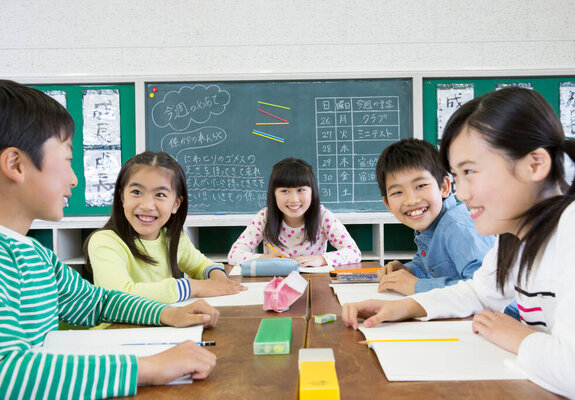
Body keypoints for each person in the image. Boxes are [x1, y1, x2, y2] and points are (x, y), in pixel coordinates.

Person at [342, 87, 575, 399]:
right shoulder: (515, 233)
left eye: (470, 172)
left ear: (534, 165)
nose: (461, 193)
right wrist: (404, 307)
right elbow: (479, 291)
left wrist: (518, 336)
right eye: (457, 175)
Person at [0, 79, 221, 398]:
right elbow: (7, 371)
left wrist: (165, 313)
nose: (75, 178)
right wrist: (147, 368)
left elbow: (97, 300)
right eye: (66, 159)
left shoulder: (36, 255)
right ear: (16, 164)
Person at [85, 151, 246, 304]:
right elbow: (119, 296)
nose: (147, 205)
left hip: (164, 327)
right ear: (122, 197)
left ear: (176, 204)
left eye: (160, 195)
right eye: (136, 192)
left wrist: (217, 277)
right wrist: (193, 286)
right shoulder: (104, 242)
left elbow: (201, 265)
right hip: (117, 330)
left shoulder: (172, 238)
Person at [375, 139, 495, 295]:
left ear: (444, 187)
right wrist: (409, 271)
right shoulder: (430, 226)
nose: (411, 200)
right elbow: (430, 265)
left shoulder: (458, 227)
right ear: (388, 204)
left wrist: (416, 286)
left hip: (503, 317)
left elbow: (486, 288)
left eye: (421, 186)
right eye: (397, 192)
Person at [227, 157, 361, 268]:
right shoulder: (265, 217)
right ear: (273, 194)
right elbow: (233, 255)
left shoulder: (323, 216)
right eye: (284, 191)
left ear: (312, 191)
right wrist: (264, 258)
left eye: (301, 190)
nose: (294, 200)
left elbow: (354, 252)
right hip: (276, 284)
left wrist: (321, 259)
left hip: (315, 282)